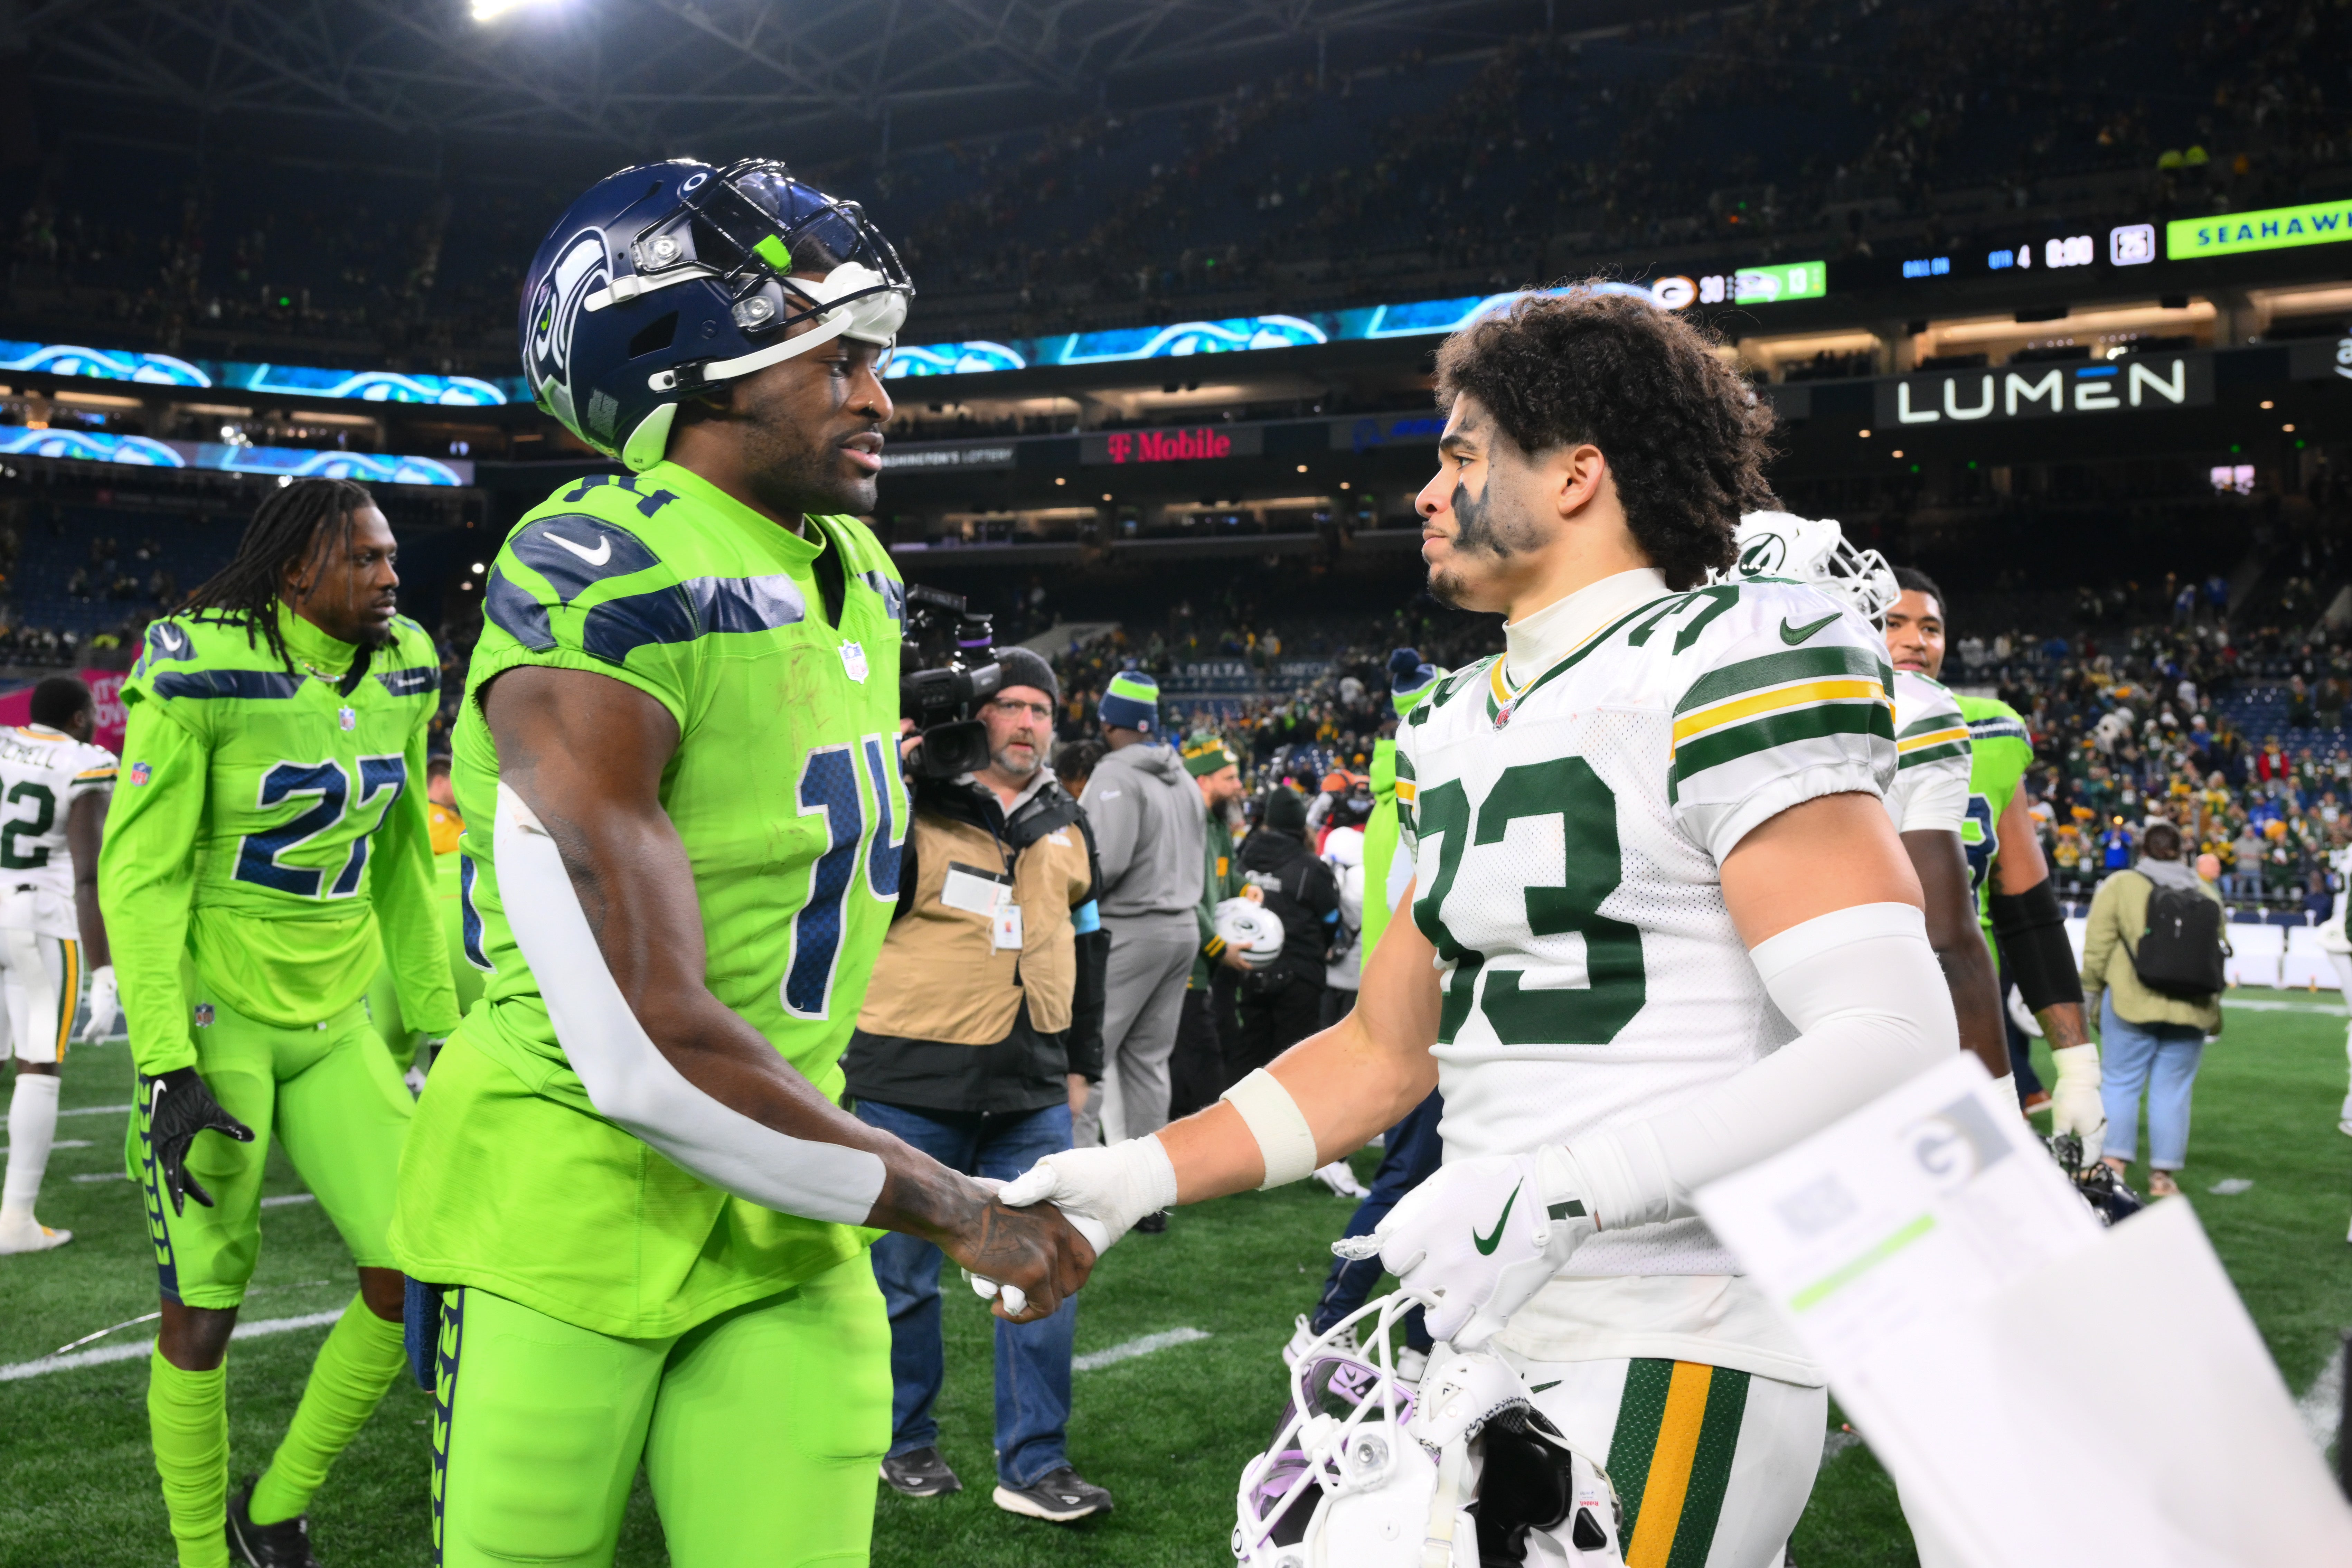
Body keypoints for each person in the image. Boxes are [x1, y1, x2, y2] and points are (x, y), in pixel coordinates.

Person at [1002, 290, 1960, 1567]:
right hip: (1481, 1321)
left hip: (1681, 1319)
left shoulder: (1732, 657)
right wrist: (1137, 1173)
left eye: (1459, 454)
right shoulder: (1460, 718)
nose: (1424, 491)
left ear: (1577, 473)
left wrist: (1561, 1189)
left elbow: (1892, 1034)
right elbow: (1380, 1053)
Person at [385, 158, 1093, 1567]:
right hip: (568, 1203)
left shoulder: (857, 565)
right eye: (839, 360)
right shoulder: (599, 564)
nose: (881, 398)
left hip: (784, 1208)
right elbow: (640, 1054)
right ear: (698, 367)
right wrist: (952, 1205)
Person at [99, 478, 459, 1567]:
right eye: (366, 559)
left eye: (393, 556)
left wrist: (437, 1020)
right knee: (203, 1307)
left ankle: (276, 1503)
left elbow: (400, 845)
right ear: (298, 569)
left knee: (414, 1273)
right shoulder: (202, 661)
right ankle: (200, 1554)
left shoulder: (403, 667)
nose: (391, 576)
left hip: (338, 1006)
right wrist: (165, 1058)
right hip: (221, 1019)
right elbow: (142, 871)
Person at [844, 645, 1113, 1520]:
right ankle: (902, 1442)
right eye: (1012, 706)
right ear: (975, 715)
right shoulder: (905, 808)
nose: (1029, 723)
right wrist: (895, 764)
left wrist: (1081, 1065)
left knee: (1045, 1272)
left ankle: (1035, 1464)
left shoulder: (1068, 822)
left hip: (1031, 1086)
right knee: (901, 1283)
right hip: (908, 1080)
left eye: (1043, 709)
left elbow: (1091, 947)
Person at [1886, 567, 2101, 1142]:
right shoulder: (1812, 727)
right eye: (1893, 623)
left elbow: (2026, 906)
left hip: (1968, 999)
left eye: (1930, 627)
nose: (1916, 640)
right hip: (1852, 1007)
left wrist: (2078, 1064)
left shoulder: (1990, 730)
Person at [0, 675, 118, 1254]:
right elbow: (88, 873)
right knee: (38, 1067)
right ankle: (16, 1221)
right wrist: (104, 969)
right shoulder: (86, 760)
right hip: (42, 921)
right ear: (77, 717)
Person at [1074, 670, 1204, 1170]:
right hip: (1181, 930)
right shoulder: (1184, 776)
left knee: (1087, 1056)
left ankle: (1078, 1178)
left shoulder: (1113, 774)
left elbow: (1105, 864)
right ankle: (1151, 1191)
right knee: (1148, 1063)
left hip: (1130, 929)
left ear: (1108, 721)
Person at [2080, 820, 2223, 1200]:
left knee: (2120, 1083)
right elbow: (2216, 955)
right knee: (2173, 1091)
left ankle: (2113, 1166)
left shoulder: (2120, 885)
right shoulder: (2204, 891)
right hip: (2191, 1008)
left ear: (2141, 850)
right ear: (2182, 851)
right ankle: (2163, 1178)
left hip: (2130, 1000)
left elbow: (2097, 947)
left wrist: (2089, 995)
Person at [367, 754, 481, 1079]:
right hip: (424, 922)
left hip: (436, 923)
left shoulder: (450, 819)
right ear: (440, 780)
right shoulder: (426, 819)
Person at [1168, 734, 1248, 1121]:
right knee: (1199, 1067)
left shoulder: (1217, 825)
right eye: (1230, 778)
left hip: (1207, 966)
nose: (1239, 787)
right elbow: (1189, 899)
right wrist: (1220, 948)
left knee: (1205, 1059)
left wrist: (1247, 890)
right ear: (1203, 781)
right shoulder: (1186, 826)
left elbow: (1225, 876)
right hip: (1185, 967)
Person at [1232, 787, 1338, 1077]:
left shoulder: (1244, 859)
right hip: (1300, 978)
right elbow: (1331, 920)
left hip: (1249, 972)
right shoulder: (1311, 868)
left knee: (1248, 1065)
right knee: (1293, 1070)